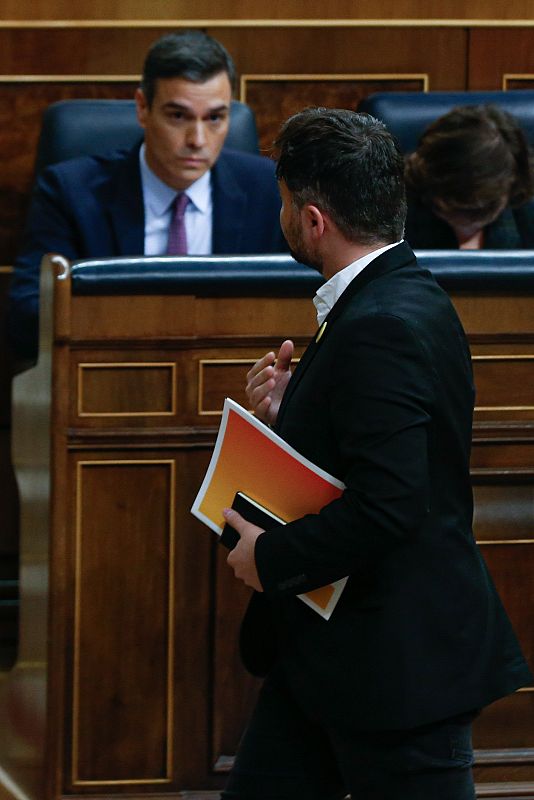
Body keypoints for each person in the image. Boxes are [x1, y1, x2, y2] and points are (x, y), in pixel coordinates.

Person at [221, 107, 532, 799]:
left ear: (312, 221)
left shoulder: (380, 323)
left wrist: (271, 557)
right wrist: (296, 412)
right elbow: (377, 446)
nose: (282, 216)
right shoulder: (403, 294)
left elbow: (392, 505)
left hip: (397, 666)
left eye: (284, 203)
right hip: (331, 656)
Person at [7, 30, 286, 362]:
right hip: (111, 375)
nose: (198, 140)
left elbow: (307, 298)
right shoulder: (70, 191)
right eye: (178, 116)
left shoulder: (270, 190)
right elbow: (28, 314)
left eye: (215, 117)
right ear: (142, 108)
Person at [404, 103, 534, 249]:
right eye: (453, 207)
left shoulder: (524, 209)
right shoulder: (398, 204)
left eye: (481, 208)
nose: (466, 221)